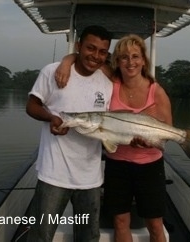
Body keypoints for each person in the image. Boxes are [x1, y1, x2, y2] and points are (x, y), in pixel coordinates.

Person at [55, 34, 171, 242]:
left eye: (135, 56)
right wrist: (65, 62)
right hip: (118, 166)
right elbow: (87, 58)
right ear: (117, 61)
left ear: (144, 60)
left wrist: (148, 142)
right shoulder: (111, 82)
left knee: (155, 224)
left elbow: (168, 131)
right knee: (120, 222)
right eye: (124, 57)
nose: (130, 62)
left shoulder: (157, 92)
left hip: (150, 166)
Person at [26, 25, 113, 242]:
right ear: (78, 46)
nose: (95, 56)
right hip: (53, 173)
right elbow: (32, 106)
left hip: (90, 178)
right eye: (90, 48)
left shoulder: (108, 83)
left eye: (102, 51)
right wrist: (51, 118)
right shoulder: (53, 71)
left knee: (88, 237)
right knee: (41, 236)